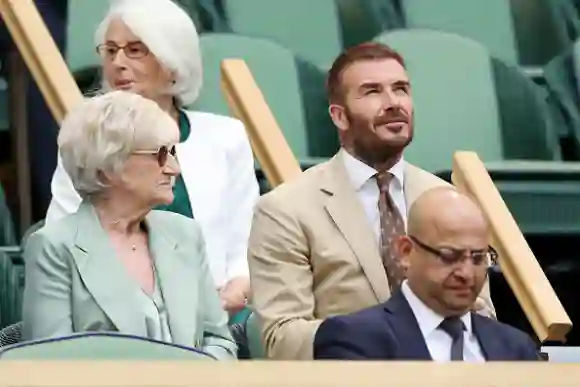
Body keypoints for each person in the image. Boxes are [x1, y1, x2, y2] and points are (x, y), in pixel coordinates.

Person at [248, 42, 496, 360]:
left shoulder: (449, 202)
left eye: (401, 89)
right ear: (339, 116)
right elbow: (282, 340)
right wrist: (399, 336)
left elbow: (482, 316)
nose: (394, 103)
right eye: (372, 92)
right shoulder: (284, 210)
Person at [45, 0, 259, 317]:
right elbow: (61, 239)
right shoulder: (84, 140)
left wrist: (236, 289)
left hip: (219, 309)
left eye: (135, 50)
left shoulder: (226, 136)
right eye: (111, 50)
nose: (118, 62)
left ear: (173, 61)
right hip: (116, 312)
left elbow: (246, 240)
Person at [22, 91, 237, 360]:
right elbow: (51, 362)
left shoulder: (185, 234)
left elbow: (220, 341)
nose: (174, 168)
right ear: (109, 168)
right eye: (161, 154)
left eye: (173, 153)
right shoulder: (53, 248)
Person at [313, 188, 540, 361]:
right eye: (449, 256)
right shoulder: (354, 339)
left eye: (478, 258)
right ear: (406, 252)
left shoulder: (517, 348)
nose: (467, 273)